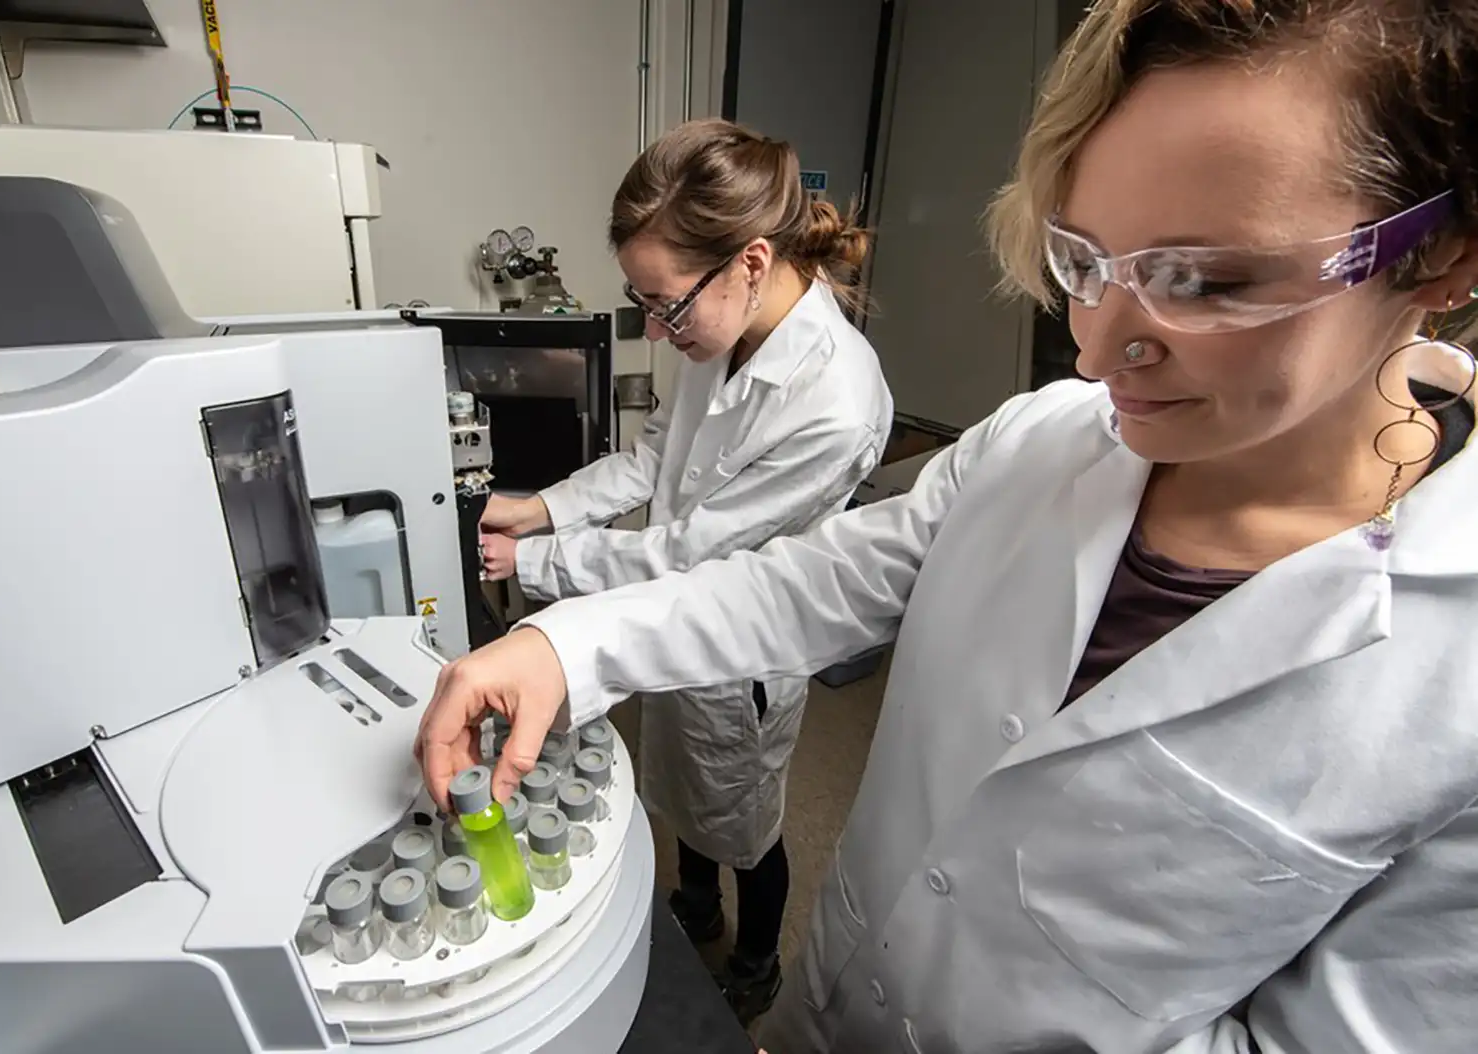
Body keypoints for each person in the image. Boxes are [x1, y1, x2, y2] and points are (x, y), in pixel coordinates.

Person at [419, 1, 1478, 1050]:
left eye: (1202, 279)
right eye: (1083, 262)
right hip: (826, 1005)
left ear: (1437, 258)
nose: (1094, 356)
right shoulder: (1039, 440)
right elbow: (805, 583)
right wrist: (564, 641)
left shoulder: (1451, 677)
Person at [475, 118, 894, 1021]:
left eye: (666, 305)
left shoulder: (836, 402)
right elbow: (654, 459)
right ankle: (695, 904)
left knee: (746, 819)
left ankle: (754, 963)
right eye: (643, 304)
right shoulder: (718, 328)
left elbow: (691, 551)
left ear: (749, 260)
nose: (658, 332)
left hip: (742, 649)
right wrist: (541, 505)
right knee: (681, 790)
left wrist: (536, 560)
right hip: (666, 613)